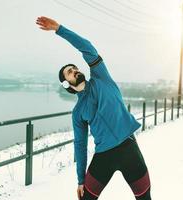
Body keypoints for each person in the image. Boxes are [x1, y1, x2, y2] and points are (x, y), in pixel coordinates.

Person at [36, 16, 151, 200]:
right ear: (67, 85)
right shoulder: (78, 112)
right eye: (69, 72)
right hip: (104, 156)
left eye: (74, 68)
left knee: (145, 198)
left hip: (129, 148)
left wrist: (59, 29)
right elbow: (80, 145)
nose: (75, 70)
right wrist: (80, 179)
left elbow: (86, 47)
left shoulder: (101, 77)